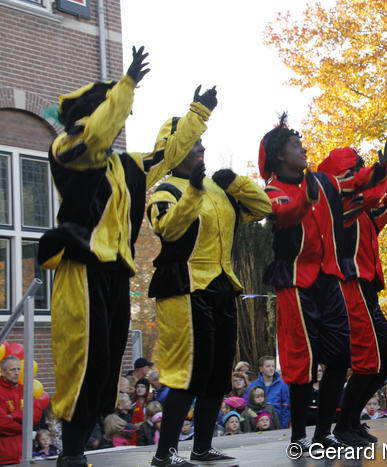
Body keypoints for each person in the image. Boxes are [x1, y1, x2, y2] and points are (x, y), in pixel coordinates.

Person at [37, 45, 218, 467]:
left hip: (116, 273)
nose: (121, 115)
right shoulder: (68, 147)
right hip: (82, 267)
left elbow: (168, 156)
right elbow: (98, 134)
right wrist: (128, 84)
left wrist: (198, 113)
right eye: (115, 106)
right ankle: (71, 454)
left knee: (105, 362)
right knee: (84, 358)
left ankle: (80, 447)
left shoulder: (127, 165)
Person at [146, 110, 270, 467]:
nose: (202, 147)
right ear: (176, 148)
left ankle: (202, 447)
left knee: (217, 373)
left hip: (222, 285)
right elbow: (169, 230)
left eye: (201, 141)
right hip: (185, 287)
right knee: (189, 372)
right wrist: (194, 191)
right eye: (193, 142)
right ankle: (165, 453)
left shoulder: (218, 188)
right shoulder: (165, 190)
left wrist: (235, 183)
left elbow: (261, 207)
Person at [259, 114, 387, 451]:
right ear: (279, 155)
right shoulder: (273, 190)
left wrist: (380, 168)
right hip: (296, 283)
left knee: (341, 357)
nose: (303, 149)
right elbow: (284, 214)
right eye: (295, 145)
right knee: (303, 363)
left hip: (327, 279)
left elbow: (354, 183)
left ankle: (324, 433)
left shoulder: (321, 181)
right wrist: (307, 198)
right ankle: (299, 437)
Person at [318, 140, 387, 446]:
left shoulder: (365, 213)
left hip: (368, 292)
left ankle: (350, 420)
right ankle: (344, 425)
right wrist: (383, 169)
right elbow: (369, 194)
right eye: (355, 168)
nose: (360, 172)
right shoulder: (341, 207)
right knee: (368, 362)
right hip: (350, 287)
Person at [0, 356, 43, 466]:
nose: (16, 373)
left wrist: (14, 416)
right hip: (0, 458)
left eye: (18, 369)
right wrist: (27, 425)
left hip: (24, 456)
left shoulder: (25, 391)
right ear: (2, 372)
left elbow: (36, 415)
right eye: (12, 370)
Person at [244, 356, 289, 428]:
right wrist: (255, 420)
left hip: (277, 423)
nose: (271, 368)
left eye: (273, 366)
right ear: (261, 369)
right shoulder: (253, 386)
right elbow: (247, 406)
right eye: (268, 366)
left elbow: (286, 407)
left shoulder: (282, 385)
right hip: (258, 425)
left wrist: (283, 426)